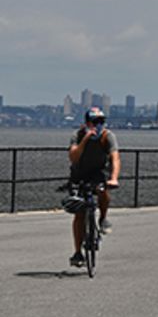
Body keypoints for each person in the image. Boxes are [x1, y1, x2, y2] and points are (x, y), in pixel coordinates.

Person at [67, 107, 121, 267]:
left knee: (103, 190)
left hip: (98, 173)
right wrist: (85, 140)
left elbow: (115, 158)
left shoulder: (107, 136)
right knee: (79, 213)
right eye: (94, 122)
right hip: (80, 173)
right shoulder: (77, 135)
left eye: (101, 122)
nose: (98, 125)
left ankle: (103, 218)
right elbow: (73, 157)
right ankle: (78, 252)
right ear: (87, 123)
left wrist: (114, 178)